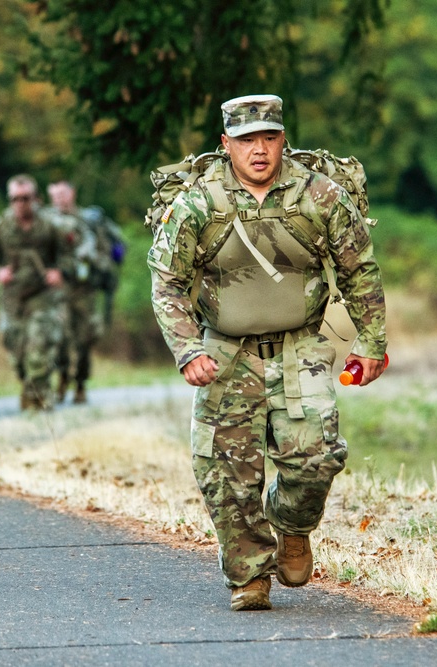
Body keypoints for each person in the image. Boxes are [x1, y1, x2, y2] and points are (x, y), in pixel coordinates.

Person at [147, 94, 387, 611]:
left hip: (302, 347)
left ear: (283, 139)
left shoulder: (317, 196)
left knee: (317, 460)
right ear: (225, 144)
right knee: (225, 471)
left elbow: (359, 270)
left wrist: (371, 342)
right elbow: (166, 281)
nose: (260, 150)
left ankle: (293, 524)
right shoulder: (198, 204)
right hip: (225, 352)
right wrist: (188, 349)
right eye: (247, 140)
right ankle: (250, 575)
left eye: (270, 138)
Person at [0, 175, 72, 410]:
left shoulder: (51, 226)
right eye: (15, 199)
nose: (20, 203)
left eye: (25, 198)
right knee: (16, 349)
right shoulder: (0, 226)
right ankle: (28, 386)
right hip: (12, 297)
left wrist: (59, 271)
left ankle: (41, 395)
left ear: (36, 199)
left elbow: (68, 255)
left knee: (38, 344)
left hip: (42, 295)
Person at [45, 180, 104, 404]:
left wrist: (90, 260)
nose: (59, 199)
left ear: (72, 194)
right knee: (59, 336)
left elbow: (100, 252)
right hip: (57, 290)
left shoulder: (88, 220)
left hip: (84, 290)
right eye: (55, 195)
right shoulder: (46, 220)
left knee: (84, 339)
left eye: (63, 194)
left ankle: (80, 383)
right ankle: (61, 378)